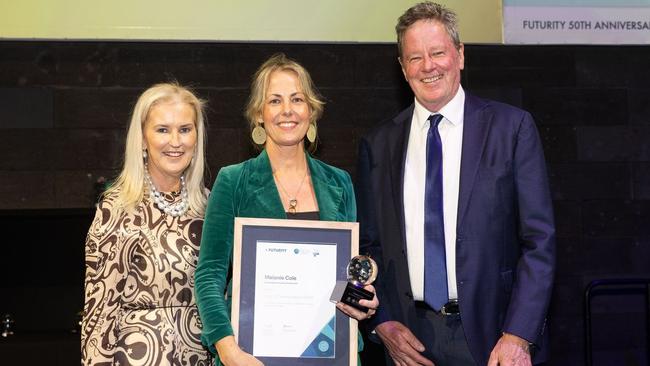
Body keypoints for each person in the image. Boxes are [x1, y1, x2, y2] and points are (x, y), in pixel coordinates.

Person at [356, 2, 556, 366]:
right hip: (409, 344)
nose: (428, 66)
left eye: (438, 53)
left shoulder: (511, 129)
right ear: (402, 68)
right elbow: (369, 245)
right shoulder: (378, 144)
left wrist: (518, 335)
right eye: (415, 57)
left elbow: (539, 243)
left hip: (495, 340)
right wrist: (381, 323)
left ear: (460, 55)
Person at [195, 53, 379, 366]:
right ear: (259, 114)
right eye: (275, 101)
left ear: (311, 110)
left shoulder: (339, 183)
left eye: (297, 99)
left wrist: (359, 300)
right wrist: (227, 350)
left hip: (329, 353)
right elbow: (209, 275)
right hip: (250, 356)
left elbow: (339, 279)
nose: (287, 111)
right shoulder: (234, 181)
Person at [81, 83, 211, 365]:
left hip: (200, 357)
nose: (175, 141)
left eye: (185, 129)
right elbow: (99, 315)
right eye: (162, 129)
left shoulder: (210, 207)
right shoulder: (117, 209)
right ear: (142, 139)